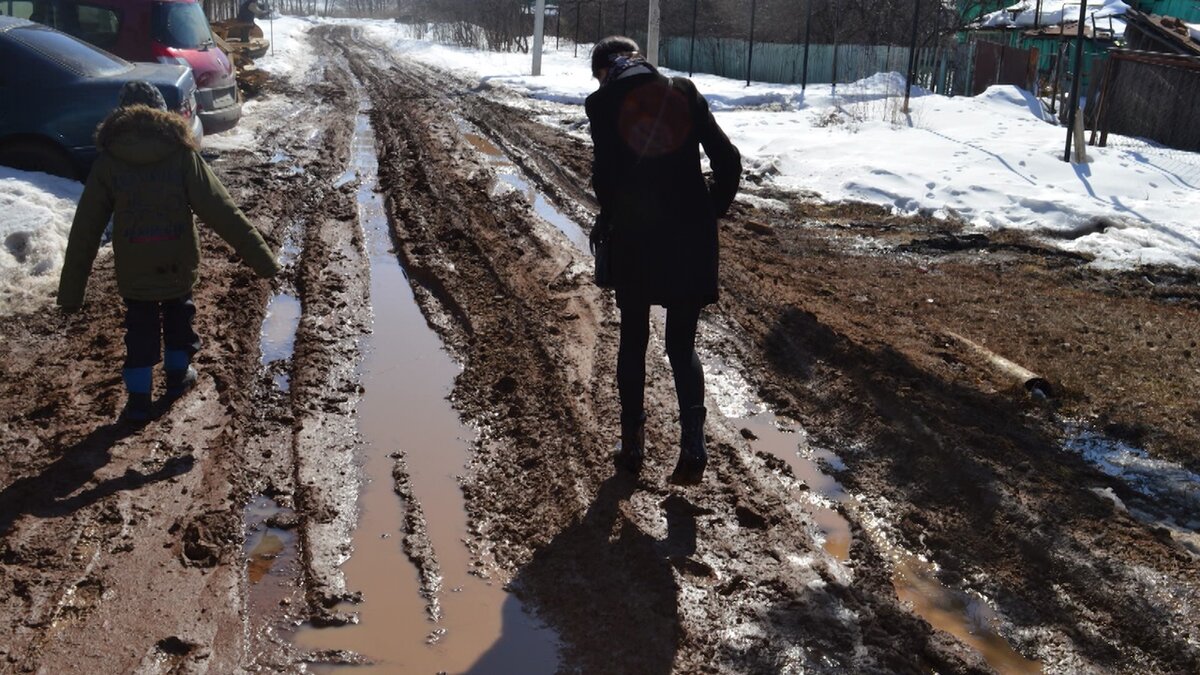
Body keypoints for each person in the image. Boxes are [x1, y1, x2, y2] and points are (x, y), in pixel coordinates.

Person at [57, 81, 280, 422]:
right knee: (179, 317)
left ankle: (138, 399)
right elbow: (223, 210)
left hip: (135, 270)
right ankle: (178, 377)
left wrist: (71, 294)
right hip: (176, 264)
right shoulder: (181, 156)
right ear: (162, 113)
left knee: (140, 328)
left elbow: (85, 230)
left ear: (121, 116)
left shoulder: (109, 161)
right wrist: (263, 260)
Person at [585, 36, 741, 483]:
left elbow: (605, 186)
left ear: (603, 70)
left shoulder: (601, 106)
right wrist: (710, 207)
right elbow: (727, 161)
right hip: (690, 239)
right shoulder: (682, 91)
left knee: (633, 340)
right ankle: (692, 444)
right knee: (681, 346)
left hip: (636, 240)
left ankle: (632, 448)